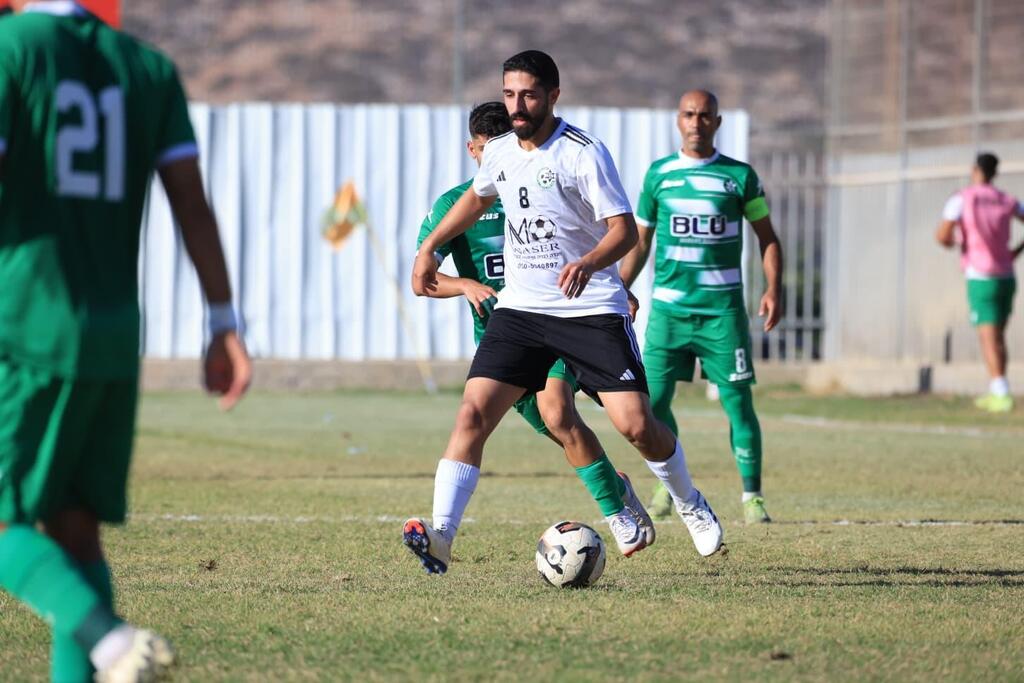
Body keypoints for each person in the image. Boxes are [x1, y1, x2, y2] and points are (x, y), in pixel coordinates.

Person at [0, 2, 252, 681]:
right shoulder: (146, 67)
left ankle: (109, 641)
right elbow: (191, 203)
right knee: (75, 532)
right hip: (112, 335)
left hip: (24, 323)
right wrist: (222, 322)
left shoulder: (11, 48)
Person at [404, 50, 723, 576]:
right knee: (472, 414)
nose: (517, 105)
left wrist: (589, 263)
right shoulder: (500, 151)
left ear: (553, 95)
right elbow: (477, 199)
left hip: (588, 308)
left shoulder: (582, 152)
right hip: (522, 311)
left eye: (528, 95)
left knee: (636, 426)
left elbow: (623, 230)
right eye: (509, 94)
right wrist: (430, 246)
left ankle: (689, 500)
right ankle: (442, 536)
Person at [413, 100, 652, 564]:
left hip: (562, 322)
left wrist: (616, 290)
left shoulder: (546, 185)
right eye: (488, 149)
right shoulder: (454, 206)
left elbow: (594, 241)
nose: (500, 156)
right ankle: (617, 491)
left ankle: (617, 514)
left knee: (556, 409)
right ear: (473, 151)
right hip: (505, 340)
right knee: (555, 429)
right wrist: (464, 285)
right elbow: (421, 281)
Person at [619, 90, 783, 525]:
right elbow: (640, 241)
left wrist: (774, 288)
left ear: (717, 122)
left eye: (705, 115)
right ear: (679, 120)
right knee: (651, 405)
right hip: (668, 312)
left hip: (722, 314)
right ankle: (667, 484)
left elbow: (768, 237)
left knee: (738, 404)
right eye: (689, 114)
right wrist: (619, 288)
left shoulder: (738, 176)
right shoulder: (659, 175)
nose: (696, 122)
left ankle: (752, 497)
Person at [936, 152, 1024, 412]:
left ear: (975, 170)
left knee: (988, 337)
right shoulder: (1007, 200)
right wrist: (1014, 252)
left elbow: (942, 236)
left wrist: (959, 242)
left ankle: (1000, 393)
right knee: (998, 336)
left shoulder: (962, 198)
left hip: (980, 276)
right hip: (1006, 276)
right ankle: (1000, 388)